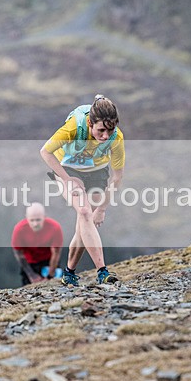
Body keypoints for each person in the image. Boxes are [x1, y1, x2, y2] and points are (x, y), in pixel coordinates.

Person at [40, 94, 125, 286]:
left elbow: (117, 176)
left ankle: (69, 273)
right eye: (101, 130)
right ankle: (103, 272)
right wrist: (66, 178)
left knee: (85, 224)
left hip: (96, 171)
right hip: (67, 168)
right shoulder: (74, 126)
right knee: (85, 211)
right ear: (89, 122)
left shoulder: (116, 138)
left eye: (110, 131)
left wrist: (102, 209)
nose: (105, 136)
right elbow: (45, 151)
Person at [11, 202, 63, 286]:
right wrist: (32, 275)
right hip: (29, 264)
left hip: (49, 261)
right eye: (32, 220)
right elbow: (19, 254)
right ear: (26, 218)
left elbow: (56, 253)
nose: (35, 224)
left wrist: (50, 275)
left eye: (38, 220)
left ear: (44, 217)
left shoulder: (54, 227)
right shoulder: (19, 229)